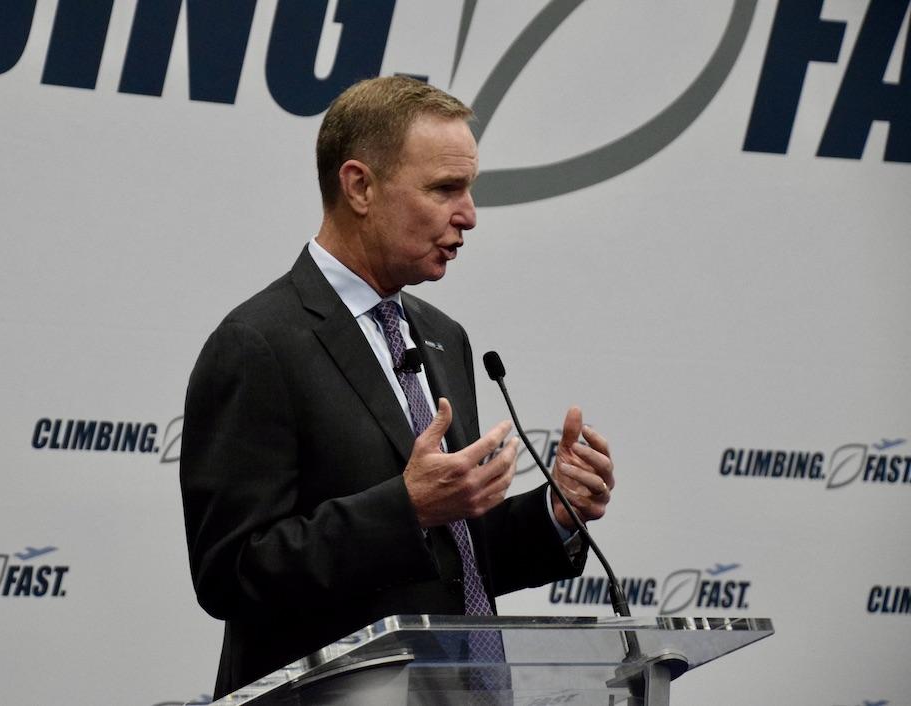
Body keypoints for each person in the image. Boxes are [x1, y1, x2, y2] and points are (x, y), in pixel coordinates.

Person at [180, 76, 616, 699]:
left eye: (468, 189)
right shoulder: (259, 344)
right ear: (360, 186)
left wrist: (555, 513)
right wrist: (405, 508)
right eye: (445, 189)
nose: (469, 215)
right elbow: (231, 573)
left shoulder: (443, 336)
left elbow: (455, 560)